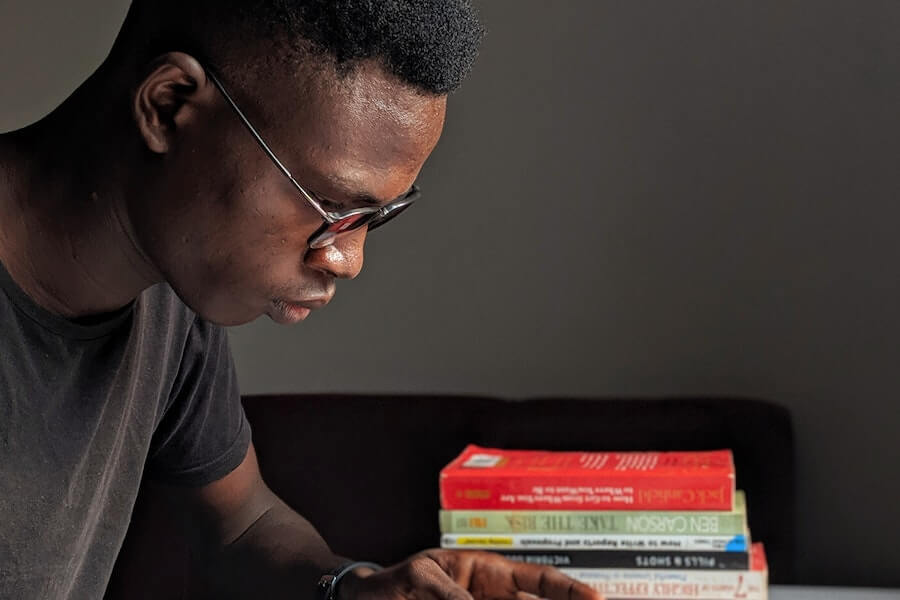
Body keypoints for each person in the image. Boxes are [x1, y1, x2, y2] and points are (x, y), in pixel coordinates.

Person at [0, 1, 604, 599]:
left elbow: (242, 527)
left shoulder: (171, 297)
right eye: (331, 207)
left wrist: (352, 587)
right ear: (169, 105)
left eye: (377, 216)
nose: (347, 260)